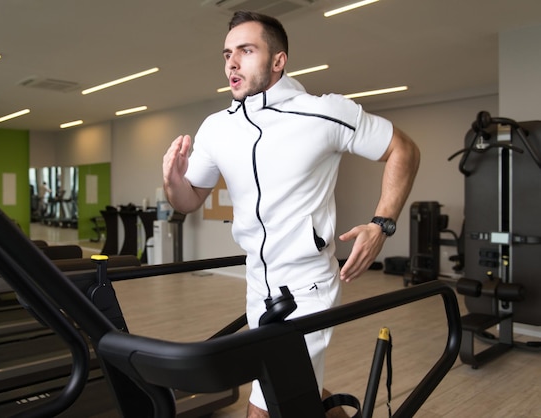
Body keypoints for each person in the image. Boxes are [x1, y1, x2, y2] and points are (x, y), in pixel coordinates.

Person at [162, 10, 420, 418]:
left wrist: (381, 224)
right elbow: (188, 199)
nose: (232, 62)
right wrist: (173, 181)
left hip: (307, 286)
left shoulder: (323, 113)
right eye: (227, 53)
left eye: (246, 50)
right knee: (298, 387)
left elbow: (402, 150)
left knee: (262, 408)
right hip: (255, 282)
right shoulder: (216, 128)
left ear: (278, 61)